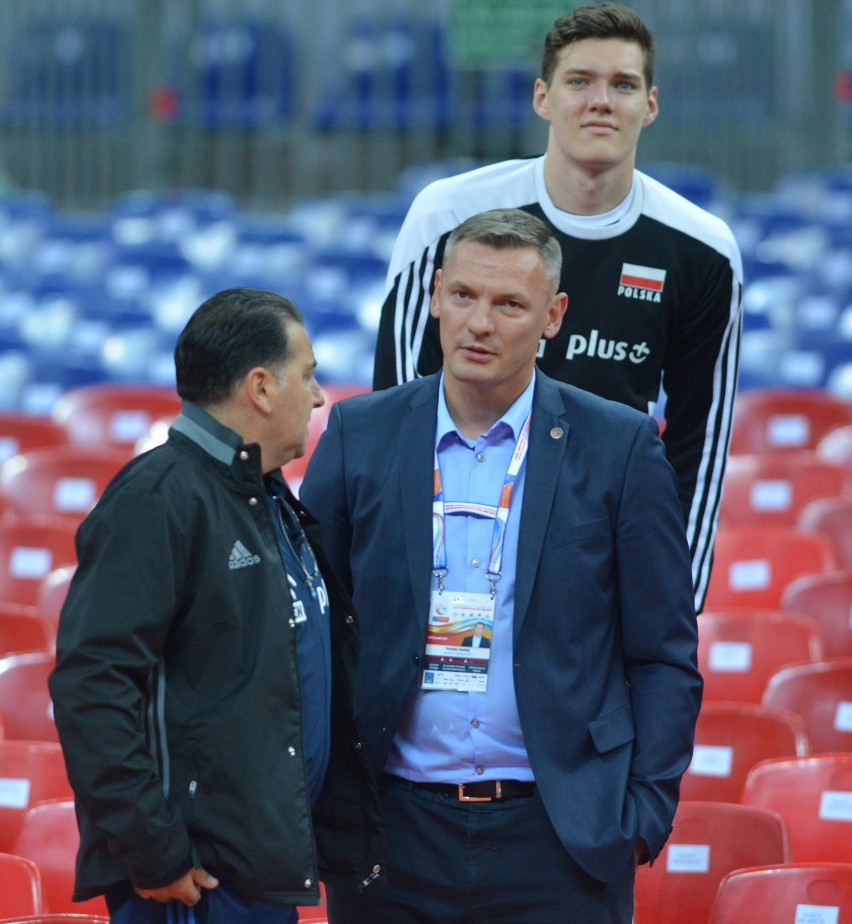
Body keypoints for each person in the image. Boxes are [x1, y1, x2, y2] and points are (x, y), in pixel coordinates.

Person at [301, 209, 702, 924]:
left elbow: (662, 653)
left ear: (553, 316)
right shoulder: (358, 435)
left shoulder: (618, 445)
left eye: (508, 304)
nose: (479, 323)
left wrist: (640, 814)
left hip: (561, 836)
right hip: (390, 838)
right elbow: (312, 634)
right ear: (434, 297)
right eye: (463, 296)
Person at [372, 1, 743, 612]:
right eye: (580, 81)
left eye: (623, 84)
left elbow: (698, 452)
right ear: (543, 97)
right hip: (454, 552)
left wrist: (670, 611)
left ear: (650, 106)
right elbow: (394, 411)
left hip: (599, 562)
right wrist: (403, 581)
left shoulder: (704, 251)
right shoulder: (448, 216)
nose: (601, 101)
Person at [48, 288, 384, 924]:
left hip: (257, 866)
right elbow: (91, 685)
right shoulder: (158, 498)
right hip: (193, 879)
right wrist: (154, 848)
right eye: (308, 376)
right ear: (260, 387)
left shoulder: (266, 494)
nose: (318, 397)